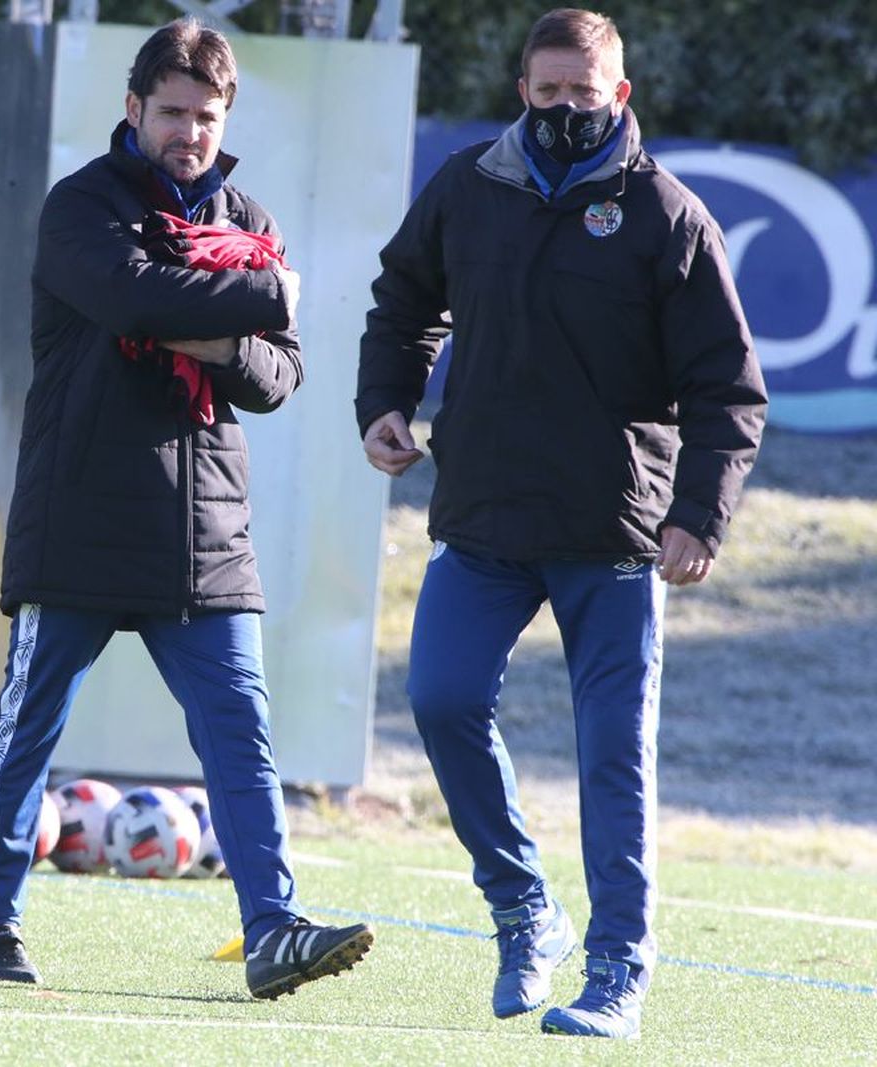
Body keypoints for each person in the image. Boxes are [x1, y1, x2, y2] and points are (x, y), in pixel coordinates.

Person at [356, 8, 767, 1039]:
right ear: (522, 93)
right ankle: (520, 902)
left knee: (610, 754)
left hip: (616, 531)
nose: (563, 112)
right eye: (546, 95)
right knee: (440, 700)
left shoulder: (666, 216)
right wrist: (384, 402)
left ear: (617, 96)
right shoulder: (466, 187)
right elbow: (402, 300)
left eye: (583, 95)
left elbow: (728, 385)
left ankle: (617, 970)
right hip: (485, 514)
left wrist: (699, 515)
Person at [0, 18, 372, 1000]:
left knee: (241, 733)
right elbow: (135, 297)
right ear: (133, 110)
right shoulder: (81, 208)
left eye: (205, 114)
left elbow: (278, 374)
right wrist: (259, 290)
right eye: (170, 111)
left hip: (205, 534)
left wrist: (227, 336)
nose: (187, 130)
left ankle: (271, 927)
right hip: (81, 514)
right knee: (29, 729)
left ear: (226, 118)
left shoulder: (244, 211)